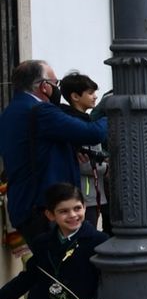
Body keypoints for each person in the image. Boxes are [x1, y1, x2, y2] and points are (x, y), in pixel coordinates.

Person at [0, 61, 108, 299]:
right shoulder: (42, 112)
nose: (57, 87)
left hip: (25, 204)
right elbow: (91, 130)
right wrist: (109, 113)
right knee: (47, 278)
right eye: (55, 81)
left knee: (43, 274)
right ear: (43, 87)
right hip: (43, 208)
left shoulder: (11, 112)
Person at [60, 72, 108, 231]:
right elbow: (84, 164)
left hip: (93, 195)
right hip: (86, 196)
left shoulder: (85, 121)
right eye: (90, 93)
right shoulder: (78, 126)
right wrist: (107, 167)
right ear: (75, 96)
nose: (95, 97)